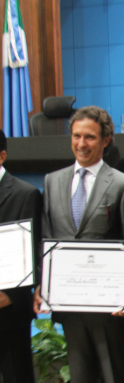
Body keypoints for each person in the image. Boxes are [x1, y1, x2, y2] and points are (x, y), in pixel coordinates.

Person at [34, 106, 124, 383]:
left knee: (112, 377)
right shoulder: (53, 181)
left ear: (106, 140)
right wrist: (42, 286)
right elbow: (47, 239)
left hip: (108, 307)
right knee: (80, 377)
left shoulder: (122, 184)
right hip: (69, 304)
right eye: (76, 136)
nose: (81, 144)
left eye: (90, 137)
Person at [0, 129, 42, 383]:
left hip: (9, 308)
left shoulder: (24, 194)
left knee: (17, 375)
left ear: (2, 155)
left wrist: (9, 295)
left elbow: (35, 250)